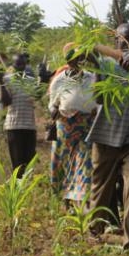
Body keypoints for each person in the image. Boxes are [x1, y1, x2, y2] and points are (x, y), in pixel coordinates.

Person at [88, 23, 129, 249]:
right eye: (125, 40)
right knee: (101, 187)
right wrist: (99, 68)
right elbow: (97, 98)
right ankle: (94, 230)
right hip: (106, 133)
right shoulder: (105, 64)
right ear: (116, 43)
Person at [48, 45, 98, 207]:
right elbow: (52, 104)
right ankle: (63, 199)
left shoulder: (91, 78)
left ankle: (82, 200)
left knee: (84, 162)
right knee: (64, 162)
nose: (77, 62)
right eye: (74, 59)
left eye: (80, 59)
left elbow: (98, 101)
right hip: (65, 126)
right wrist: (54, 111)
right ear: (68, 61)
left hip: (86, 125)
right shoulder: (60, 80)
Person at [0, 53, 39, 178]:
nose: (20, 66)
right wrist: (1, 83)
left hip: (30, 126)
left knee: (29, 162)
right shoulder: (7, 80)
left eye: (22, 64)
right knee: (17, 163)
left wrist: (45, 80)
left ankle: (26, 189)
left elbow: (37, 97)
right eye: (17, 64)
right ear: (13, 65)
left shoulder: (31, 81)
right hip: (14, 126)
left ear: (26, 65)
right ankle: (16, 190)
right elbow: (6, 102)